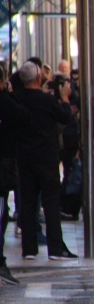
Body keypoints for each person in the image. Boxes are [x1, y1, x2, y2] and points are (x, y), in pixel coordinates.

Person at [13, 62, 77, 260]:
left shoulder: (14, 99)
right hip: (46, 159)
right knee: (50, 203)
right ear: (39, 78)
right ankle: (55, 249)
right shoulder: (47, 101)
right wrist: (64, 98)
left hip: (24, 158)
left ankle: (29, 249)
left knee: (28, 202)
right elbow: (66, 117)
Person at [0, 65, 30, 283]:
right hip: (2, 166)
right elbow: (23, 116)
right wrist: (6, 93)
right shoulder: (4, 102)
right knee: (1, 213)